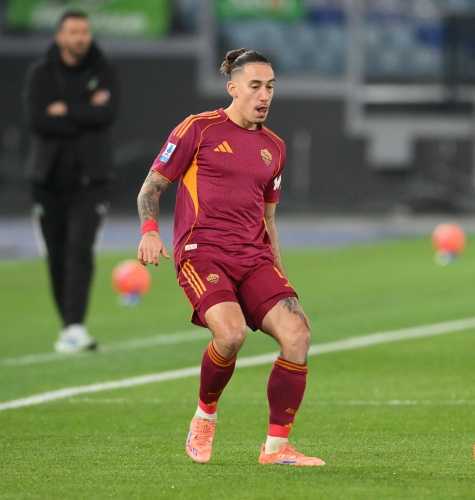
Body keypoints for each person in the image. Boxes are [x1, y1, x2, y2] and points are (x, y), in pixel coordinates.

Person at [136, 48, 324, 466]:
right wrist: (149, 231)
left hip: (254, 257)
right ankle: (204, 417)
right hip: (202, 253)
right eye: (255, 86)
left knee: (298, 335)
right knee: (232, 334)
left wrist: (280, 272)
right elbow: (150, 188)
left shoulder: (275, 148)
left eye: (270, 86)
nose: (264, 95)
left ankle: (276, 449)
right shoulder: (197, 129)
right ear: (233, 89)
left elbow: (268, 219)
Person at [23, 10, 119, 353]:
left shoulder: (104, 71)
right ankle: (68, 326)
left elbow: (106, 114)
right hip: (47, 180)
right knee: (56, 254)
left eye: (84, 31)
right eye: (73, 32)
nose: (80, 37)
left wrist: (65, 109)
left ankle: (75, 325)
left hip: (90, 180)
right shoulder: (41, 73)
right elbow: (39, 121)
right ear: (60, 37)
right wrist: (85, 112)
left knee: (80, 248)